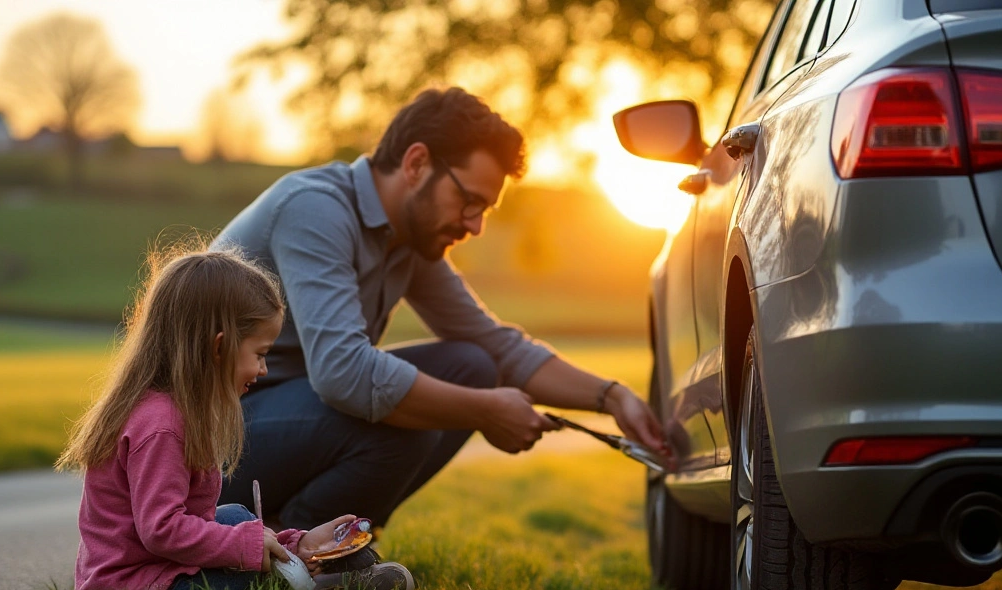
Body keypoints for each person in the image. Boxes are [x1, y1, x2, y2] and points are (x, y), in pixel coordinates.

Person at [211, 87, 665, 533]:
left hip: (271, 426)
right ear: (416, 163)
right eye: (470, 201)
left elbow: (495, 346)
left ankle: (295, 535)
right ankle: (300, 545)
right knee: (412, 403)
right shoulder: (315, 208)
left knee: (468, 365)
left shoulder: (407, 242)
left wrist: (611, 396)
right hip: (201, 440)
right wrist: (483, 411)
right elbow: (343, 373)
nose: (475, 225)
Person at [58, 246, 413, 590]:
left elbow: (198, 523)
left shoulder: (174, 411)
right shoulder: (161, 426)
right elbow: (162, 530)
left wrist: (293, 541)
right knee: (244, 571)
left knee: (235, 517)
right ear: (220, 347)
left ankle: (303, 559)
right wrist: (246, 547)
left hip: (156, 571)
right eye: (260, 354)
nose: (263, 370)